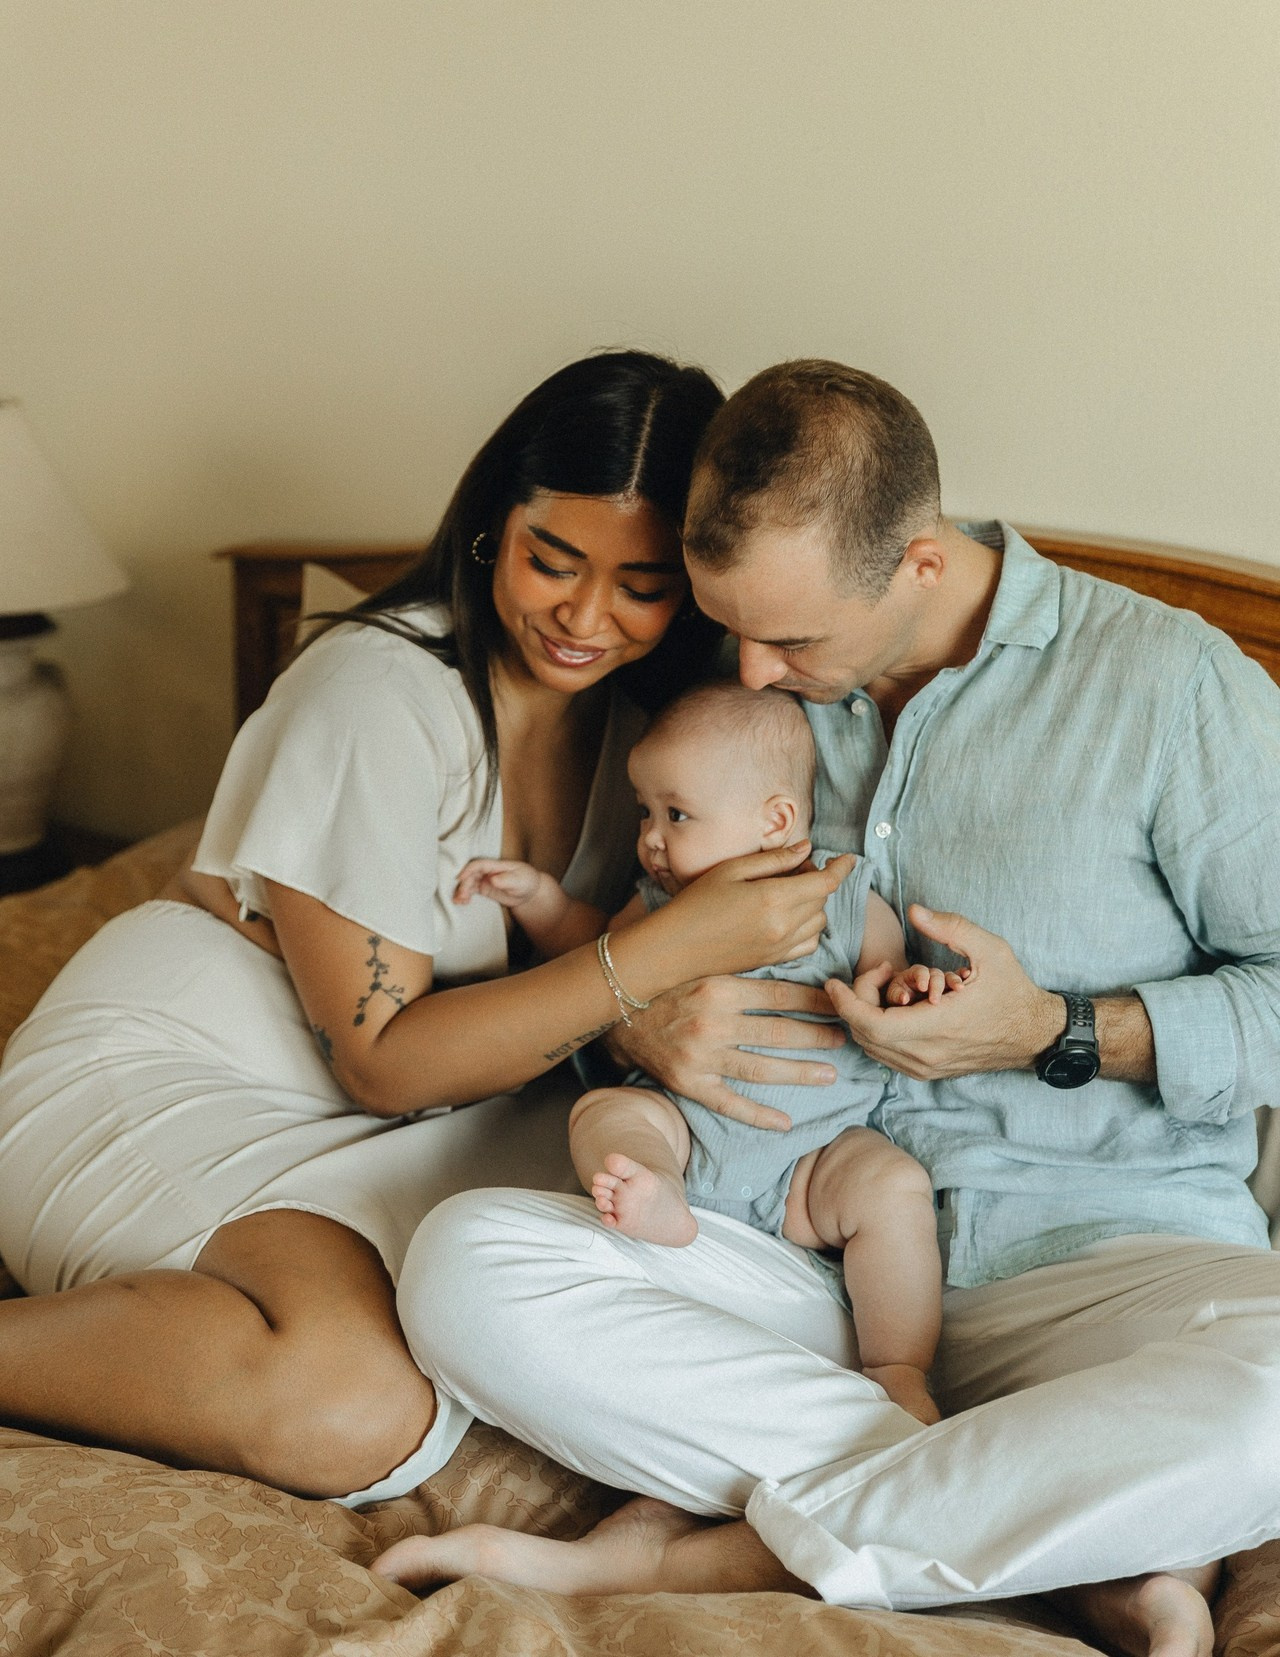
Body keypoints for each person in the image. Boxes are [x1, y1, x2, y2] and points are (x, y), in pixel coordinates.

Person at [375, 361, 1280, 1657]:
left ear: (919, 561)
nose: (751, 667)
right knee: (466, 1266)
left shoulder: (1169, 690)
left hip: (1108, 1264)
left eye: (792, 641)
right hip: (796, 1258)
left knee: (1276, 1398)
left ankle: (694, 1550)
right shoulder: (725, 687)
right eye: (724, 623)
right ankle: (1060, 1523)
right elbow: (629, 936)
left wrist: (1059, 1032)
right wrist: (635, 1021)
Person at [0, 350, 853, 1507]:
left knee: (670, 1293)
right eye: (552, 559)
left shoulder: (667, 742)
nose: (585, 616)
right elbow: (384, 1060)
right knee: (349, 1407)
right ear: (491, 529)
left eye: (641, 585)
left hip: (455, 1107)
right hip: (186, 1075)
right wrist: (662, 958)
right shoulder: (377, 694)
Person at [455, 678, 954, 1424]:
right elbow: (597, 959)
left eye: (677, 813)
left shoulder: (842, 897)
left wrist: (907, 987)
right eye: (646, 812)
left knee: (893, 1187)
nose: (650, 837)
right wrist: (541, 900)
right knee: (608, 1110)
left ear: (775, 819)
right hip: (684, 1133)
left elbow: (882, 981)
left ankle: (899, 1366)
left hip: (809, 1162)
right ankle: (657, 1193)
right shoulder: (660, 905)